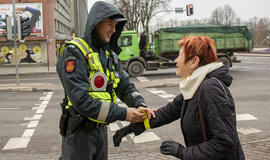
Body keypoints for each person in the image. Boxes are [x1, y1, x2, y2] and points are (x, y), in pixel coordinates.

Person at [113, 35, 246, 160]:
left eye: (180, 56)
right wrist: (132, 128)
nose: (176, 60)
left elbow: (226, 142)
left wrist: (183, 153)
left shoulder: (210, 89)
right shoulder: (195, 86)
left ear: (194, 61)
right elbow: (168, 112)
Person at [56, 1, 154, 160]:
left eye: (116, 25)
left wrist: (139, 104)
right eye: (110, 24)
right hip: (79, 132)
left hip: (100, 130)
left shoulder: (109, 55)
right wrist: (124, 113)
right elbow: (81, 100)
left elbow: (125, 86)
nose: (114, 30)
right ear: (96, 23)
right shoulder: (74, 53)